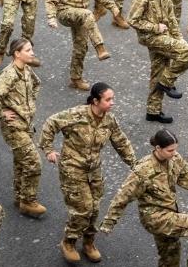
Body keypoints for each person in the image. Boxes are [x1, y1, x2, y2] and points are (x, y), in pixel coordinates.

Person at [39, 83, 136, 263]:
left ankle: (89, 242)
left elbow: (121, 142)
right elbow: (51, 123)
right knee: (83, 208)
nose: (112, 103)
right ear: (95, 101)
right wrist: (48, 149)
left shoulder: (109, 120)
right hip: (72, 168)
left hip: (94, 170)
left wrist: (135, 165)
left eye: (112, 99)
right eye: (108, 99)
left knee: (95, 208)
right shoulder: (76, 115)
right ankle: (69, 241)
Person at [99, 130, 188, 267]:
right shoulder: (143, 170)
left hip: (170, 211)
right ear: (158, 148)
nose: (175, 153)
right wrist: (109, 223)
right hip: (155, 217)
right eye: (170, 150)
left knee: (170, 255)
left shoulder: (174, 159)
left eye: (176, 149)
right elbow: (123, 197)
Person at [128, 0, 188, 124]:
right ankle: (166, 83)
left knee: (158, 69)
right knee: (187, 51)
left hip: (164, 34)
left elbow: (170, 15)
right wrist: (155, 28)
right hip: (150, 36)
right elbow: (132, 20)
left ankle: (153, 111)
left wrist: (177, 36)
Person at [0, 38, 47, 218]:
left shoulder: (27, 69)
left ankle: (20, 196)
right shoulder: (9, 75)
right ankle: (28, 201)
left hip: (26, 124)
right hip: (13, 127)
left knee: (21, 162)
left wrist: (29, 104)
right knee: (33, 162)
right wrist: (3, 113)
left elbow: (36, 84)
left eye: (31, 49)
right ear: (17, 54)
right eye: (28, 50)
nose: (32, 53)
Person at [46, 0, 120, 90]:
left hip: (81, 15)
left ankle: (76, 79)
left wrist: (112, 6)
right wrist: (51, 17)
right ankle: (100, 48)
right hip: (65, 12)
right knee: (88, 14)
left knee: (81, 47)